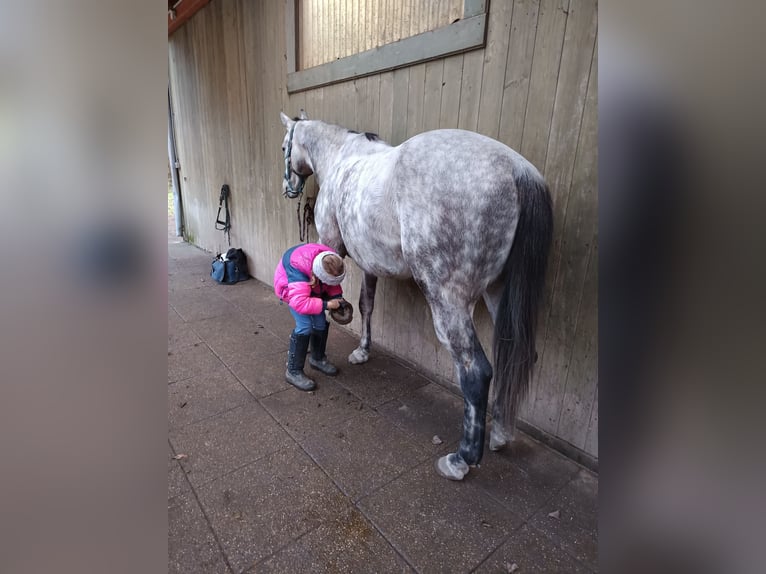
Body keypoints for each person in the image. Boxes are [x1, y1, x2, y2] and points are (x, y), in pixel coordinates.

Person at [273, 243, 347, 391]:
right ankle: (293, 371)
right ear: (319, 275)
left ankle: (317, 358)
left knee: (320, 323)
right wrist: (327, 305)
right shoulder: (298, 269)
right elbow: (299, 303)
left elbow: (332, 283)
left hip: (313, 288)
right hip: (292, 291)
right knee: (305, 326)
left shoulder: (331, 259)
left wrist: (338, 298)